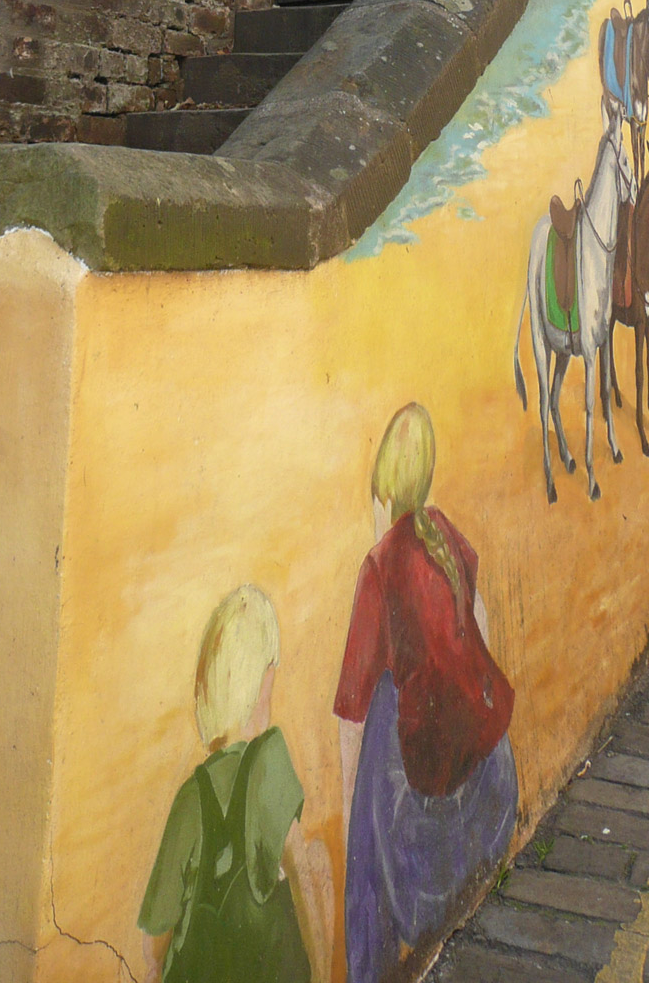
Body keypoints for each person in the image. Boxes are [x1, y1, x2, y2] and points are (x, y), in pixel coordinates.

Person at [335, 404, 518, 983]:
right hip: (488, 783)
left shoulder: (381, 563)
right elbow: (478, 620)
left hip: (420, 808)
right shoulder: (445, 534)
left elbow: (351, 709)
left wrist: (353, 822)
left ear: (383, 486)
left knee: (375, 731)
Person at [139, 586, 332, 983]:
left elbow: (155, 938)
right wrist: (324, 968)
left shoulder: (192, 796)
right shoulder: (271, 766)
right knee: (321, 857)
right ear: (261, 680)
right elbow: (304, 879)